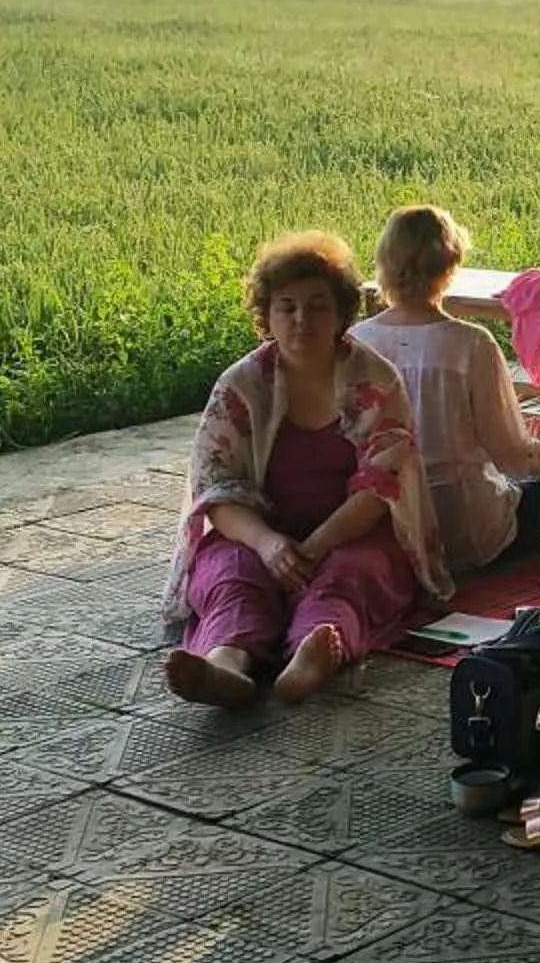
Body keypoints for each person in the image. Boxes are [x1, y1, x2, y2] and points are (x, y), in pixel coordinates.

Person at [162, 231, 450, 708]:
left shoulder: (375, 380)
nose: (302, 320)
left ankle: (314, 655)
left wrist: (313, 548)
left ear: (340, 314)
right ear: (267, 315)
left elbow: (381, 486)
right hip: (259, 533)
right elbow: (216, 490)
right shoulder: (240, 386)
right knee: (232, 575)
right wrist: (268, 544)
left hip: (350, 533)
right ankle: (226, 664)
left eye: (318, 306)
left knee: (350, 575)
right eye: (287, 307)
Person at [349, 206, 540, 573]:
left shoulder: (355, 342)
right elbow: (512, 456)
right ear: (450, 266)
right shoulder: (471, 344)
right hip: (465, 524)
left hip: (386, 522)